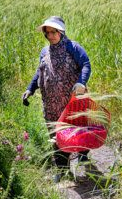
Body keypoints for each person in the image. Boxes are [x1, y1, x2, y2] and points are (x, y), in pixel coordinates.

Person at [22, 16, 91, 183]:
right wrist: (30, 89)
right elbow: (40, 71)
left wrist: (81, 83)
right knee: (56, 133)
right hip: (51, 102)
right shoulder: (45, 52)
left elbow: (86, 65)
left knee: (76, 128)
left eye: (54, 32)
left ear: (61, 32)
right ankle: (62, 169)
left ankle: (82, 154)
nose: (51, 35)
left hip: (71, 100)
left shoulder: (73, 47)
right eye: (48, 33)